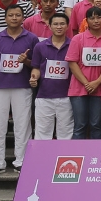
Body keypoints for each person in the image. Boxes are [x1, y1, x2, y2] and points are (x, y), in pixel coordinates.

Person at [0, 4, 39, 177]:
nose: (14, 18)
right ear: (5, 17)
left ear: (23, 18)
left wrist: (26, 61)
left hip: (22, 86)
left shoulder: (31, 38)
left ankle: (21, 161)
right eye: (10, 15)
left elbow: (36, 64)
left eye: (17, 15)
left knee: (22, 125)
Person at [65, 7, 101, 140]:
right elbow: (72, 63)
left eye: (98, 17)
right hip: (78, 88)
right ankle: (77, 157)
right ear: (86, 21)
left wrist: (97, 82)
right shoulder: (78, 39)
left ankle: (95, 157)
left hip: (100, 89)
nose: (96, 21)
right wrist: (86, 83)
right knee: (80, 125)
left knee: (96, 124)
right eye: (92, 18)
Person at [29, 11, 74, 142]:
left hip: (67, 96)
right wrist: (34, 77)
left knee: (65, 133)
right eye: (55, 24)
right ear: (50, 26)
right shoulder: (40, 46)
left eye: (62, 24)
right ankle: (43, 161)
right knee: (42, 132)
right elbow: (36, 68)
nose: (59, 27)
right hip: (44, 96)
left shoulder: (73, 45)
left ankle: (65, 161)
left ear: (67, 26)